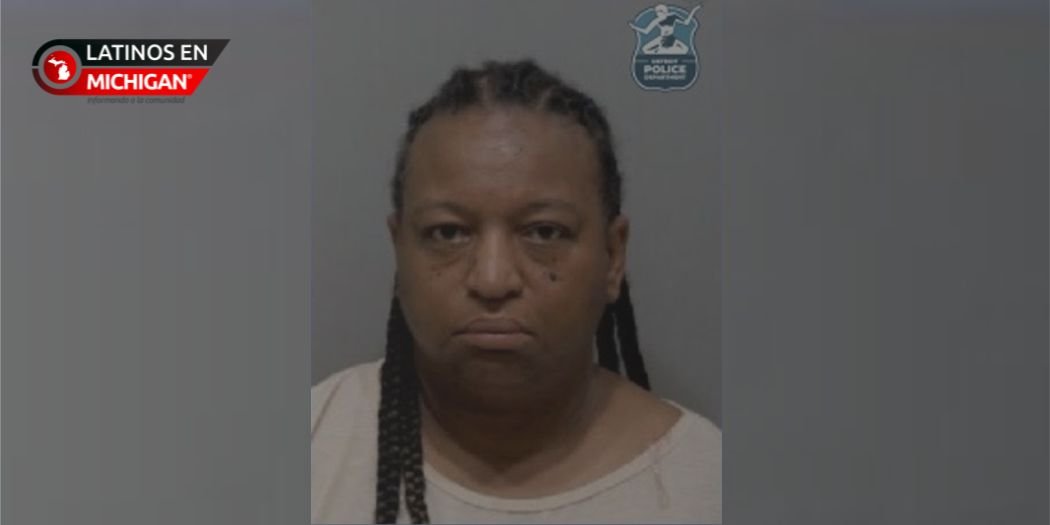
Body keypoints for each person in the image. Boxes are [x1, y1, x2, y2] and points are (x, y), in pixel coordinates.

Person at [311, 59, 721, 524]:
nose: (492, 280)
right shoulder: (310, 443)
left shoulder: (710, 485)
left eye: (544, 232)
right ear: (399, 248)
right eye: (448, 233)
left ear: (613, 257)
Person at [629, 4, 703, 55]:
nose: (658, 14)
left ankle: (663, 51)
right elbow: (646, 31)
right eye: (656, 12)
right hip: (661, 39)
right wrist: (634, 27)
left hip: (672, 38)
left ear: (664, 11)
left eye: (659, 12)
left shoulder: (673, 16)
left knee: (685, 49)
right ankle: (660, 51)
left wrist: (694, 10)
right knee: (645, 49)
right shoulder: (657, 20)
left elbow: (686, 22)